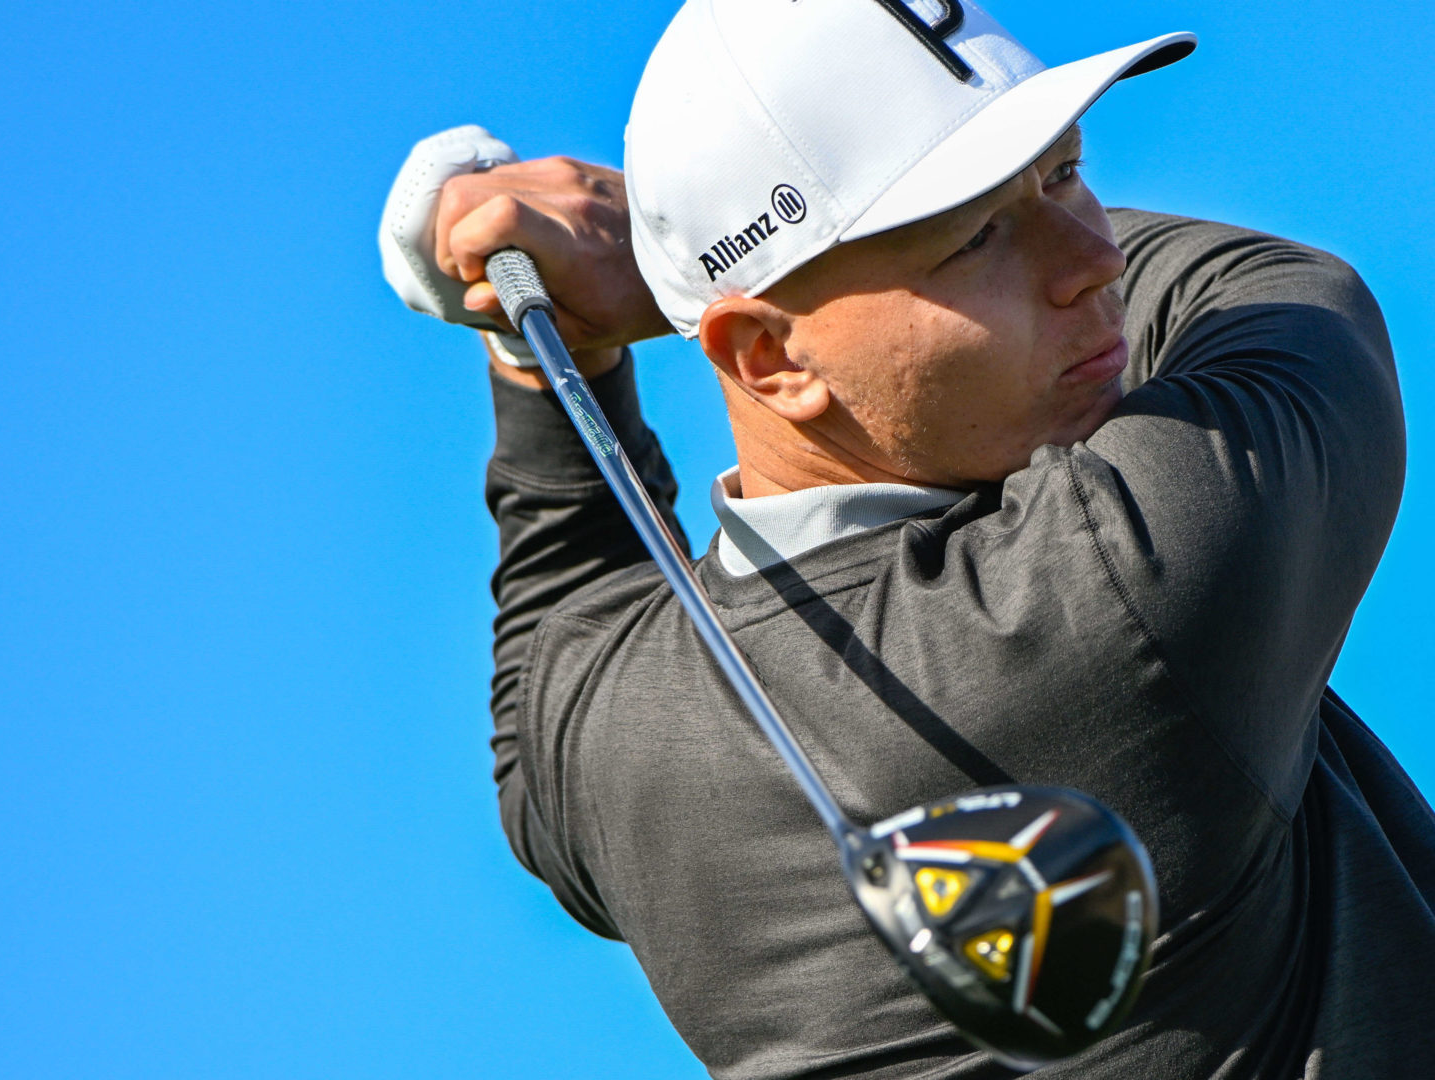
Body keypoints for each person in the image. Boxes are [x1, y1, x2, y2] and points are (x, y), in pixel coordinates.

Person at [379, 2, 1435, 1076]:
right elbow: (1282, 297)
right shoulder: (1124, 581)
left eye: (1066, 172)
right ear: (768, 360)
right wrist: (655, 279)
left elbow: (562, 599)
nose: (1094, 259)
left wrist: (557, 350)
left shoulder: (601, 740)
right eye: (975, 234)